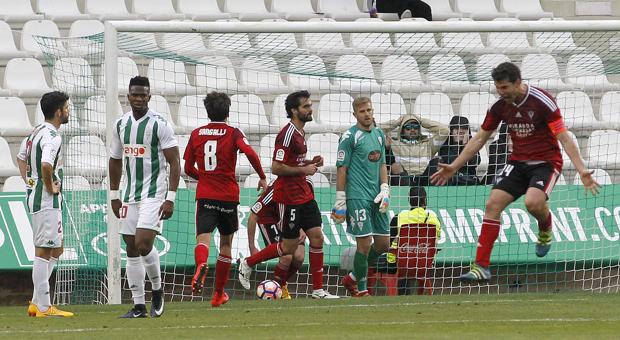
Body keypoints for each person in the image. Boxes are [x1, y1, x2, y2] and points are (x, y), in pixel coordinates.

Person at [430, 62, 600, 283]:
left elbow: (564, 137)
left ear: (518, 83)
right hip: (518, 163)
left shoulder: (542, 101)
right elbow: (480, 138)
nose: (501, 92)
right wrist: (455, 166)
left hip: (546, 163)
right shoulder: (500, 107)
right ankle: (481, 266)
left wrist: (581, 169)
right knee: (492, 204)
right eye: (498, 88)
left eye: (504, 87)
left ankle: (545, 227)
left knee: (532, 203)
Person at [238, 90, 338, 299]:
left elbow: (294, 163)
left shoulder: (300, 133)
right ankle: (248, 262)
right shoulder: (287, 134)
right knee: (289, 248)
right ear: (294, 111)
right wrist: (304, 170)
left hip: (305, 195)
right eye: (306, 106)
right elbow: (276, 167)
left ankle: (318, 290)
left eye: (310, 105)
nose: (311, 109)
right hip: (289, 198)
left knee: (317, 237)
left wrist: (310, 162)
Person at [184, 91, 267, 307]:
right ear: (227, 111)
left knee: (203, 239)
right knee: (226, 245)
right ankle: (218, 293)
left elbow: (186, 168)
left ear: (208, 111)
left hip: (205, 195)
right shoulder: (233, 133)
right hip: (228, 196)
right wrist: (262, 176)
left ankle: (201, 264)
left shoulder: (196, 134)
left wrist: (203, 177)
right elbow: (249, 152)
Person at [109, 76, 181, 318]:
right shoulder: (120, 124)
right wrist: (114, 194)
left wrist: (170, 198)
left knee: (142, 244)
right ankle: (139, 305)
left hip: (153, 194)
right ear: (128, 96)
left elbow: (174, 162)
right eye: (135, 94)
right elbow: (115, 160)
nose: (139, 98)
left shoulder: (160, 124)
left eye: (143, 95)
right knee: (130, 248)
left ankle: (158, 290)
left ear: (149, 97)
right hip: (128, 195)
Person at [19, 91, 74, 317]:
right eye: (67, 108)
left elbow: (21, 157)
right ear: (58, 111)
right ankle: (44, 306)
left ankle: (35, 300)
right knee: (43, 251)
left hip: (41, 197)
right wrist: (48, 185)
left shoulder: (35, 132)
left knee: (57, 249)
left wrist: (29, 182)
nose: (68, 111)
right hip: (46, 199)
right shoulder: (52, 135)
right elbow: (45, 164)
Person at [332, 96, 391, 297]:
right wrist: (340, 200)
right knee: (364, 245)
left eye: (369, 110)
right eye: (363, 111)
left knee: (383, 244)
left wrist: (385, 188)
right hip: (357, 196)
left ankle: (353, 278)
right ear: (355, 114)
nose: (367, 114)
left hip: (376, 196)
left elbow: (382, 163)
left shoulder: (379, 135)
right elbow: (342, 169)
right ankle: (362, 289)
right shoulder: (349, 137)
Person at [246, 179, 311, 299]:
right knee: (286, 256)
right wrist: (252, 247)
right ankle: (278, 290)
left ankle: (278, 286)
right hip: (268, 219)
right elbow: (252, 217)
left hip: (287, 221)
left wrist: (300, 227)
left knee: (299, 256)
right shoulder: (274, 190)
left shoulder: (306, 186)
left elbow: (300, 210)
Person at [387, 186, 440, 295]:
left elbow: (390, 243)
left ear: (409, 200)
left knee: (401, 258)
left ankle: (403, 296)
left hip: (399, 264)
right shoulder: (434, 218)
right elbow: (435, 241)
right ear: (425, 200)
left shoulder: (399, 217)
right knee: (410, 258)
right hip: (425, 263)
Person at [379, 113, 449, 186]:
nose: (412, 130)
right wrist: (396, 123)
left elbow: (445, 131)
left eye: (416, 127)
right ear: (402, 130)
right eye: (408, 127)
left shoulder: (428, 144)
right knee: (395, 166)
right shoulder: (394, 143)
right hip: (404, 179)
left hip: (425, 178)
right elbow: (374, 130)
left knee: (437, 162)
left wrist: (421, 121)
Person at [421, 116, 480, 186]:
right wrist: (456, 144)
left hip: (467, 179)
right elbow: (450, 161)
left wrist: (465, 146)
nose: (460, 131)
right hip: (448, 179)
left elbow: (476, 162)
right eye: (457, 128)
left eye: (464, 128)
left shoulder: (472, 143)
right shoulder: (444, 144)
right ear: (451, 130)